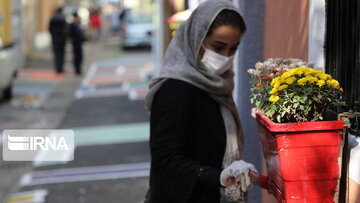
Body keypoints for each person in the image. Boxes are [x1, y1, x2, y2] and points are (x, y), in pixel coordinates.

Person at [144, 1, 258, 202]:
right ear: (196, 39)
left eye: (233, 49)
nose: (225, 57)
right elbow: (166, 161)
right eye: (218, 47)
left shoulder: (218, 86)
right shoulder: (175, 89)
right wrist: (219, 176)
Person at [49, 7, 67, 74]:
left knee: (56, 54)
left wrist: (53, 35)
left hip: (55, 39)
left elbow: (50, 29)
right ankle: (61, 68)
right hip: (62, 39)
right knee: (62, 54)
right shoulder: (63, 18)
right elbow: (66, 29)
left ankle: (57, 68)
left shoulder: (53, 18)